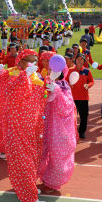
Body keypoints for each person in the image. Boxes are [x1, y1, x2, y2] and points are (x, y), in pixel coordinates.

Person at [0, 49, 48, 202]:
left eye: (35, 60)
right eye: (29, 60)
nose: (33, 63)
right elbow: (2, 86)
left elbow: (40, 96)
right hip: (18, 124)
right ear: (20, 60)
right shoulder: (13, 74)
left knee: (31, 157)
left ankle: (27, 189)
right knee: (23, 160)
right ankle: (29, 201)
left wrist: (50, 88)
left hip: (32, 124)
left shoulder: (34, 75)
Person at [38, 59, 76, 193]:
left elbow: (66, 107)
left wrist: (58, 91)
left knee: (56, 153)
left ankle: (52, 183)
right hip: (45, 124)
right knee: (42, 151)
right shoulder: (47, 83)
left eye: (51, 70)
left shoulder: (64, 87)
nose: (49, 71)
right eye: (49, 70)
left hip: (58, 128)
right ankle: (43, 177)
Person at [67, 53, 94, 139]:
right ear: (75, 60)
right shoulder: (70, 70)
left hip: (83, 97)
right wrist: (69, 84)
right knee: (71, 116)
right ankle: (71, 131)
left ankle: (82, 131)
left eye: (81, 59)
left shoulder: (87, 71)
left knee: (84, 116)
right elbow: (65, 81)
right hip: (72, 97)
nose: (79, 61)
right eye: (78, 59)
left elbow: (92, 81)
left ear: (84, 61)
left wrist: (88, 85)